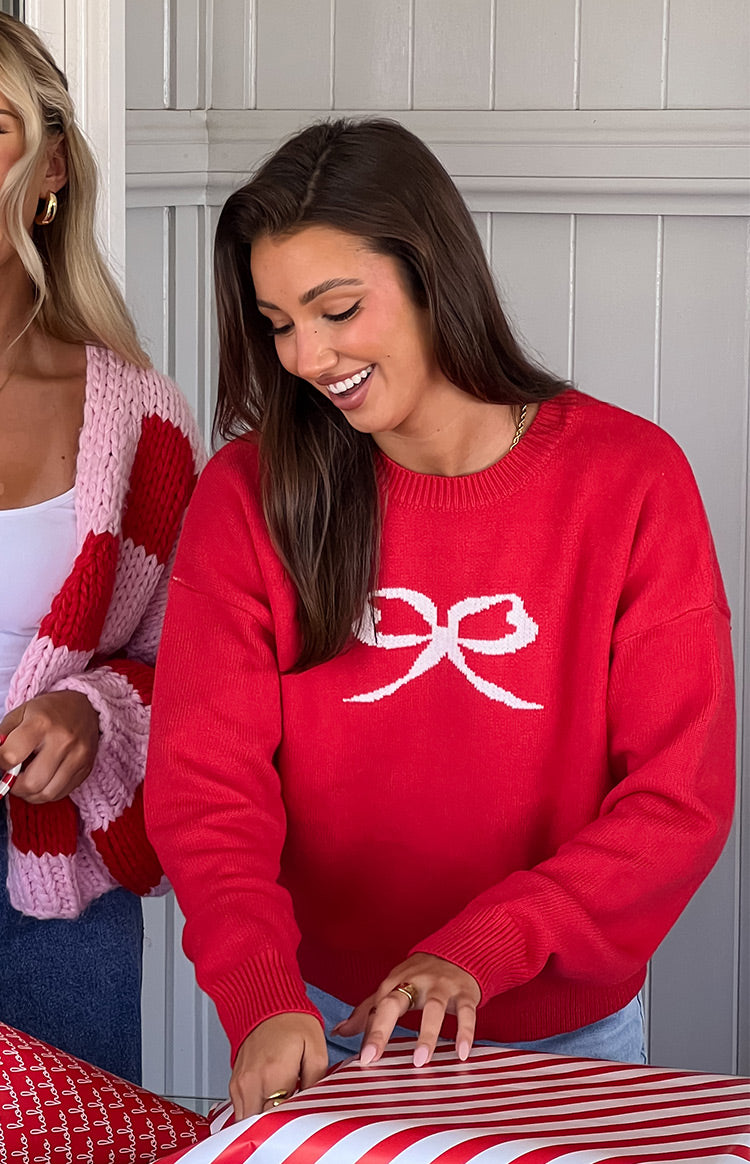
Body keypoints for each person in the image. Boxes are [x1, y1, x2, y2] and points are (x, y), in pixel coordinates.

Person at [145, 118, 735, 1119]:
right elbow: (207, 788)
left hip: (568, 1036)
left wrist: (482, 948)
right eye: (278, 323)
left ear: (434, 277)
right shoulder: (247, 494)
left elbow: (677, 798)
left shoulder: (633, 480)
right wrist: (261, 996)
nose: (307, 355)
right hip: (326, 1026)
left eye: (337, 309)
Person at [0, 14, 204, 1083]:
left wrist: (92, 709)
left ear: (51, 170)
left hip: (57, 895)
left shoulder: (142, 424)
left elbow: (199, 670)